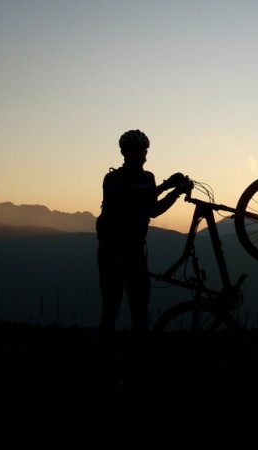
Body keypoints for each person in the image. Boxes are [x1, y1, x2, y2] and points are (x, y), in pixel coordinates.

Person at [96, 129, 188, 356]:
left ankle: (137, 354)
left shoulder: (148, 178)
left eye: (144, 151)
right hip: (114, 251)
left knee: (138, 307)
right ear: (125, 152)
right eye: (139, 151)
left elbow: (150, 207)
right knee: (113, 306)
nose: (143, 155)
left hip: (134, 250)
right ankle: (110, 355)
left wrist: (173, 190)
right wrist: (170, 189)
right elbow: (138, 206)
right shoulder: (113, 179)